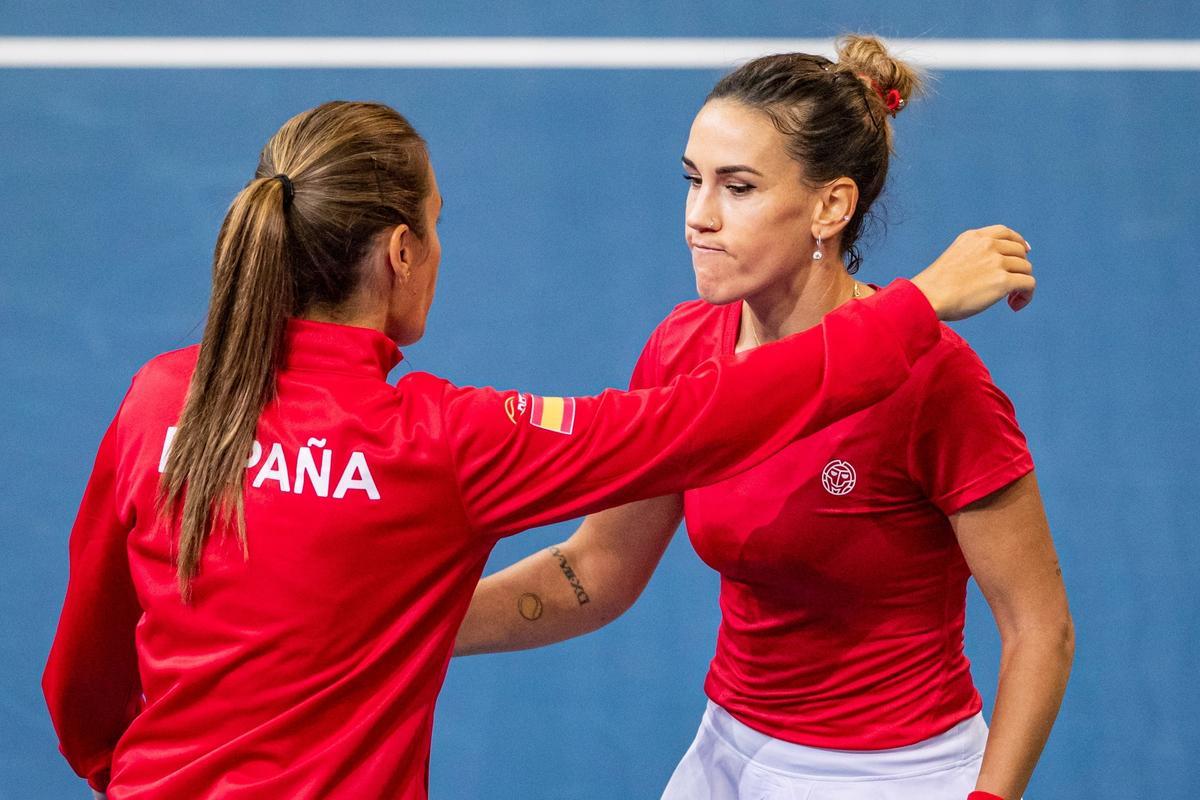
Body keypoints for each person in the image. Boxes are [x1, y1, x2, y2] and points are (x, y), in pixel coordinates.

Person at [41, 100, 1030, 799]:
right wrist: (921, 302)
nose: (699, 212)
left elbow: (79, 673)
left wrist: (120, 772)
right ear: (398, 253)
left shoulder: (161, 399)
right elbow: (706, 421)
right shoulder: (442, 440)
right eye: (436, 226)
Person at [454, 36, 1072, 800]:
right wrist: (407, 627)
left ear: (830, 205)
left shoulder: (936, 381)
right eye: (693, 181)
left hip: (897, 774)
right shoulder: (684, 348)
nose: (699, 218)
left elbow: (1040, 629)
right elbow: (598, 569)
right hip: (726, 754)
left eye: (738, 187)